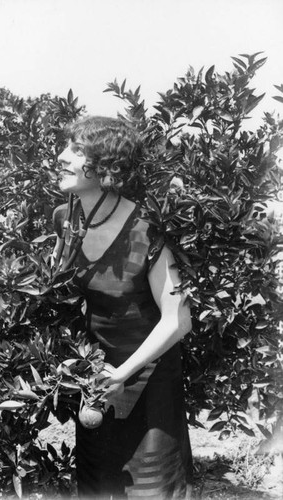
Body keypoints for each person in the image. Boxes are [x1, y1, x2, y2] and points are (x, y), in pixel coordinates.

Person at [52, 116, 193, 499]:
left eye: (77, 150)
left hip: (148, 377)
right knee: (99, 486)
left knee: (150, 488)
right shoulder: (66, 220)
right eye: (67, 146)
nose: (63, 157)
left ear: (107, 166)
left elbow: (178, 321)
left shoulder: (146, 228)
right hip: (97, 379)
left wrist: (124, 374)